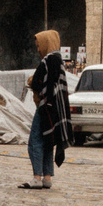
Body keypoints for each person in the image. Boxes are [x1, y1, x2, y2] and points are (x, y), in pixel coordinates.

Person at [24, 30, 69, 190]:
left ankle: (37, 177)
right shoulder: (59, 60)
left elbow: (38, 83)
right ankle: (47, 177)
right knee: (47, 141)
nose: (37, 49)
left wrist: (33, 83)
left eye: (39, 45)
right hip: (55, 107)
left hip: (46, 107)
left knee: (35, 141)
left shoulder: (48, 60)